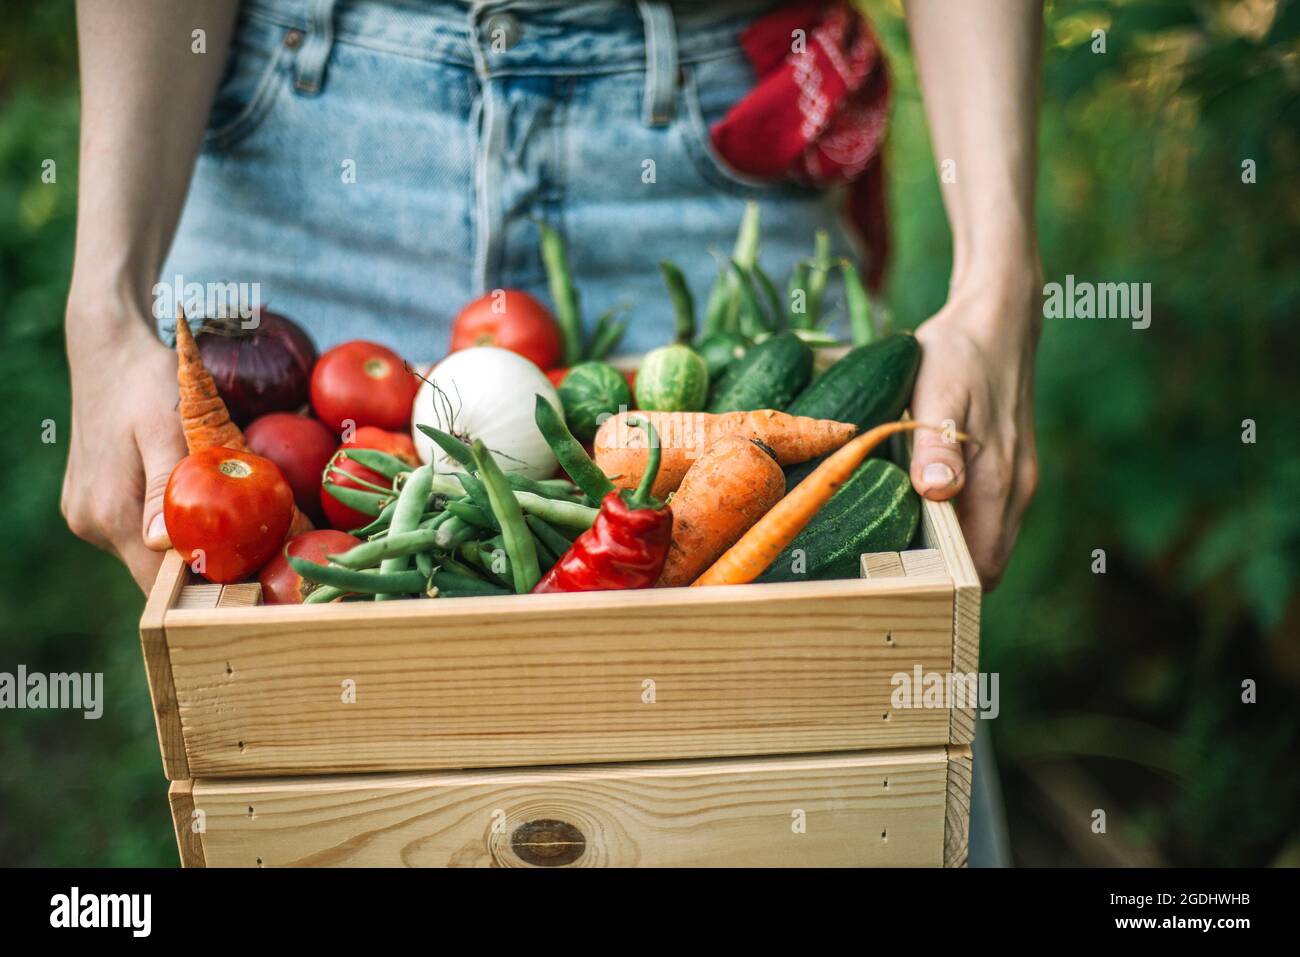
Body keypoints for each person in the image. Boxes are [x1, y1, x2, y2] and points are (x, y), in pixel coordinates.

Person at [63, 0, 1039, 865]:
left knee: (853, 766)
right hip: (300, 140)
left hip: (702, 134)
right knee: (317, 804)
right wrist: (103, 306)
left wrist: (999, 281)